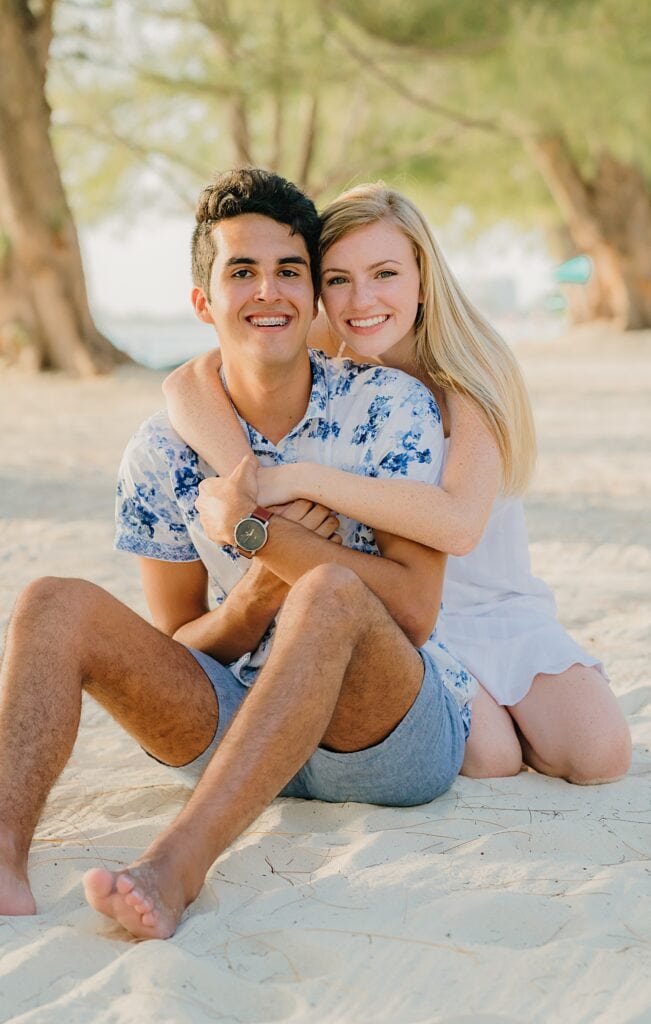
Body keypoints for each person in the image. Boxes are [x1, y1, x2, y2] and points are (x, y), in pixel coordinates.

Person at [0, 168, 476, 942]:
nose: (267, 291)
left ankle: (173, 869)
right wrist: (253, 597)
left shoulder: (385, 407)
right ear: (203, 302)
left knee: (330, 593)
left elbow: (411, 611)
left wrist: (269, 539)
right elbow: (181, 647)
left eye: (288, 271)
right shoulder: (162, 451)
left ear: (312, 300)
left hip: (383, 739)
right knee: (52, 600)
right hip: (234, 725)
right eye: (241, 271)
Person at [163, 182, 631, 785]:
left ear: (421, 274)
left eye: (384, 273)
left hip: (498, 608)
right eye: (336, 279)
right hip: (405, 610)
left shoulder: (470, 367)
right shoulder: (337, 345)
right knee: (493, 760)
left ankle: (527, 717)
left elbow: (459, 525)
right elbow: (186, 385)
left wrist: (300, 478)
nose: (362, 300)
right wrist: (244, 482)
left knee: (599, 758)